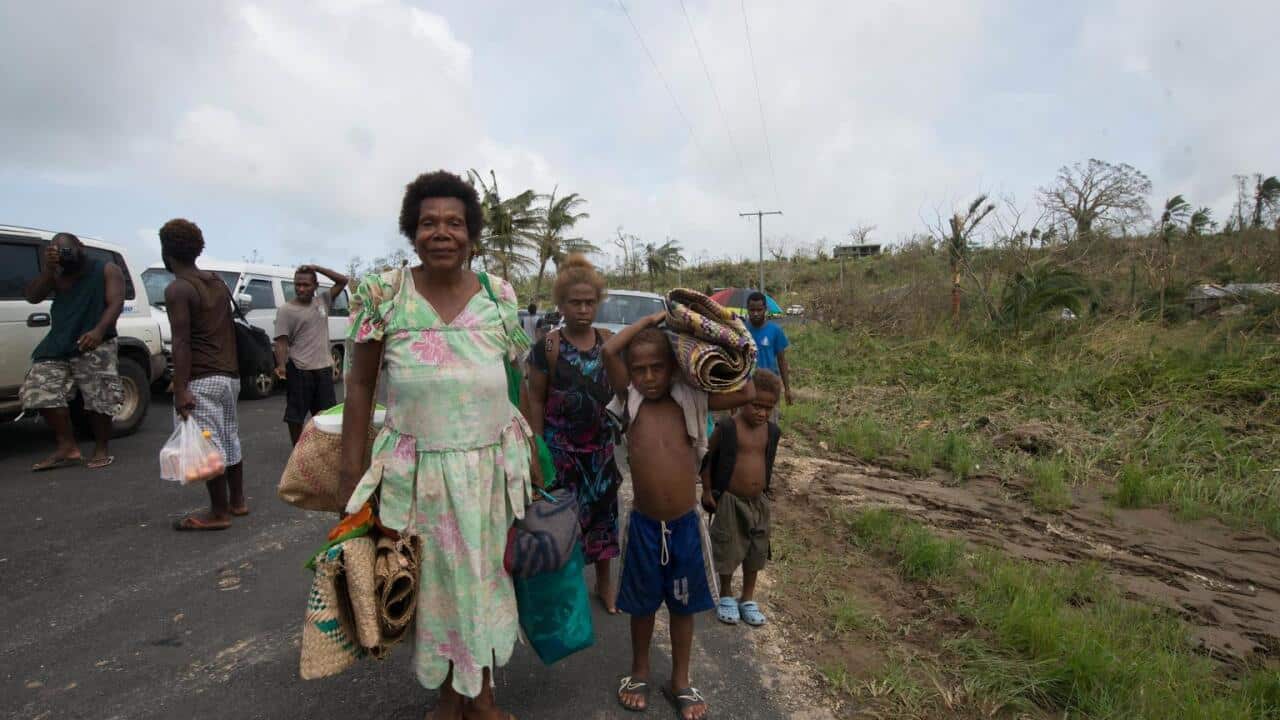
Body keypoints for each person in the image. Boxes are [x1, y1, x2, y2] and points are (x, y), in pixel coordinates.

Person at [339, 170, 541, 720]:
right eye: (429, 222)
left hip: (491, 470)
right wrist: (349, 481)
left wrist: (535, 458)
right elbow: (359, 385)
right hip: (417, 474)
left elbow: (518, 380)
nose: (442, 232)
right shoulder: (383, 294)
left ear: (472, 232)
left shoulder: (499, 297)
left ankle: (480, 698)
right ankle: (456, 697)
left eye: (454, 222)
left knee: (486, 583)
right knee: (432, 590)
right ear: (412, 230)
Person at [604, 313, 754, 720]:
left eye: (657, 367)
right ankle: (639, 672)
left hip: (685, 526)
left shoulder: (692, 399)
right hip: (644, 526)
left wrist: (719, 340)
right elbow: (609, 349)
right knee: (642, 605)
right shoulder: (630, 400)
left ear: (674, 368)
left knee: (683, 608)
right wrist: (653, 319)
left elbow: (747, 390)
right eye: (640, 370)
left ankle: (681, 681)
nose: (648, 377)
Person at [524, 255, 622, 613]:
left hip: (600, 452)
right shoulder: (548, 348)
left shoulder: (609, 343)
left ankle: (605, 584)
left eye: (589, 302)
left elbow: (624, 391)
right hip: (560, 453)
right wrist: (536, 448)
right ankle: (567, 592)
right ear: (561, 305)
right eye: (575, 302)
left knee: (603, 518)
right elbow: (535, 398)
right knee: (562, 523)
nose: (583, 309)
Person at [160, 219, 246, 531]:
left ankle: (219, 513)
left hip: (202, 376)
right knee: (229, 437)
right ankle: (237, 502)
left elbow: (181, 340)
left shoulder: (178, 288)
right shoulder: (217, 282)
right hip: (229, 375)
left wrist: (180, 387)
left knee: (208, 444)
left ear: (166, 251)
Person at [21, 232, 125, 471]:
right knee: (38, 389)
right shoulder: (58, 273)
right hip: (59, 341)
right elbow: (33, 296)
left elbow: (116, 302)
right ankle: (68, 446)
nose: (65, 255)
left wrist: (99, 331)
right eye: (59, 252)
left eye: (68, 250)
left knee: (100, 398)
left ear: (81, 247)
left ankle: (101, 447)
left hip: (95, 339)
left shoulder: (106, 269)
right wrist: (49, 269)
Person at [701, 369, 782, 628]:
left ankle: (747, 598)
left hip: (758, 501)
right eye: (756, 405)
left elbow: (766, 460)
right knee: (727, 547)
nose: (762, 412)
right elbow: (707, 458)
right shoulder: (727, 428)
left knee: (756, 550)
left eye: (768, 408)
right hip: (730, 500)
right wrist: (707, 490)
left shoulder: (771, 431)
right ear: (741, 399)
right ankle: (725, 594)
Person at [274, 264, 348, 445]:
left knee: (327, 416)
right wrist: (281, 366)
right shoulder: (286, 310)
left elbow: (343, 280)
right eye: (297, 284)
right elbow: (281, 341)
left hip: (323, 369)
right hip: (300, 369)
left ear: (315, 286)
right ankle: (298, 451)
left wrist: (317, 268)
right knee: (295, 416)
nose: (301, 288)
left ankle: (324, 449)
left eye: (306, 285)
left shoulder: (323, 301)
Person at [745, 292, 794, 415]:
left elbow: (781, 360)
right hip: (747, 386)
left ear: (765, 309)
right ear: (748, 310)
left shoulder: (775, 330)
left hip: (770, 388)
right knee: (747, 424)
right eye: (752, 310)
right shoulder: (742, 330)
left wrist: (787, 389)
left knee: (770, 425)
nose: (755, 313)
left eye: (759, 309)